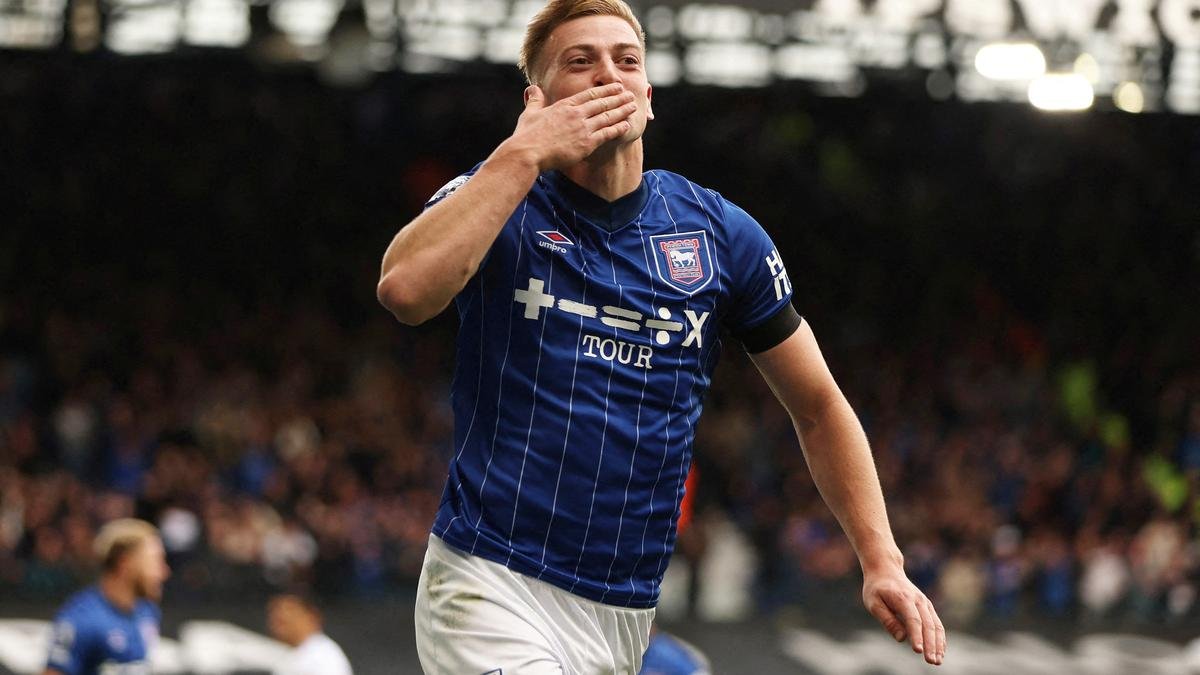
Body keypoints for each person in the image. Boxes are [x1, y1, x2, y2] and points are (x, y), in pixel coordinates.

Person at [377, 0, 947, 671]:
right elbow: (404, 290)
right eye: (580, 62)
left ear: (648, 98)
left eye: (626, 60)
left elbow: (819, 406)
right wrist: (524, 151)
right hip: (490, 581)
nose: (607, 74)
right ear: (538, 99)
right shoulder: (497, 195)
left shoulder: (720, 234)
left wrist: (881, 559)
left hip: (625, 612)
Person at [42, 518, 170, 675]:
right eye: (155, 561)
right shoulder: (81, 620)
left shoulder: (147, 611)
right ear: (125, 562)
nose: (164, 572)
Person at [266, 594, 353, 675]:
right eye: (273, 611)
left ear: (311, 615)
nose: (280, 615)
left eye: (289, 609)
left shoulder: (323, 655)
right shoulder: (291, 654)